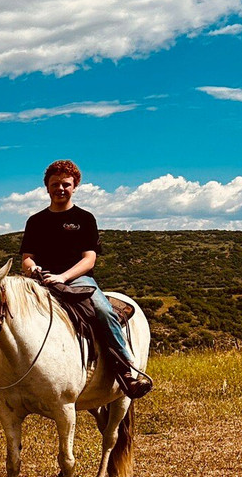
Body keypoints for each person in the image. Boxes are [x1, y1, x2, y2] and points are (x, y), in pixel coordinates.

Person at [19, 159, 152, 399]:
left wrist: (62, 276)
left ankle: (127, 369)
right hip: (41, 281)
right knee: (8, 312)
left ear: (75, 186)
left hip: (77, 280)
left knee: (103, 311)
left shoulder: (84, 218)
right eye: (55, 184)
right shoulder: (35, 221)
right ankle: (4, 383)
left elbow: (89, 259)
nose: (60, 189)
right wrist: (33, 269)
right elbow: (27, 258)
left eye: (66, 184)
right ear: (47, 187)